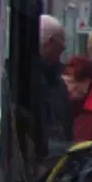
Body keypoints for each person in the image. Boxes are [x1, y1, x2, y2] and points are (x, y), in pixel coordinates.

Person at [35, 14, 71, 147]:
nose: (61, 53)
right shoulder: (33, 81)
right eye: (61, 47)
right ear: (50, 43)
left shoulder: (55, 79)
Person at [63, 55, 92, 143]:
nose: (65, 88)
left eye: (70, 82)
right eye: (63, 82)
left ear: (86, 82)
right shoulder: (69, 104)